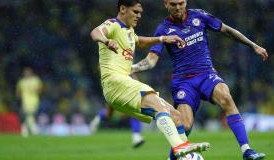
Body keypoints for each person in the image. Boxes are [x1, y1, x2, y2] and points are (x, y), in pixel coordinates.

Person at [131, 0, 268, 160]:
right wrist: (133, 68)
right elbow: (151, 60)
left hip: (206, 74)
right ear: (166, 4)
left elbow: (227, 31)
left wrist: (253, 46)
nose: (178, 7)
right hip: (183, 82)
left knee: (226, 97)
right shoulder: (163, 29)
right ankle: (172, 157)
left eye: (181, 3)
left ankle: (247, 150)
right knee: (185, 125)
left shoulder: (200, 16)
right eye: (173, 4)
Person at [90, 0, 210, 158]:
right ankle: (180, 147)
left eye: (140, 13)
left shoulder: (129, 31)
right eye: (135, 12)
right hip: (115, 82)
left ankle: (184, 154)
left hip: (122, 85)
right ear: (123, 9)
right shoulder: (113, 24)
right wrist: (106, 40)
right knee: (153, 100)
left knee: (175, 116)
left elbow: (138, 41)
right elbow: (95, 32)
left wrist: (162, 39)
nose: (139, 16)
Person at [16, 67, 43, 137]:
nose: (27, 74)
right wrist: (20, 97)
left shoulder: (36, 80)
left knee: (31, 114)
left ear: (31, 73)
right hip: (25, 101)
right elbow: (18, 92)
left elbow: (40, 89)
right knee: (28, 114)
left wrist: (35, 90)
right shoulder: (21, 82)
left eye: (28, 72)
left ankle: (25, 128)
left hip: (35, 100)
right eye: (25, 72)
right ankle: (33, 128)